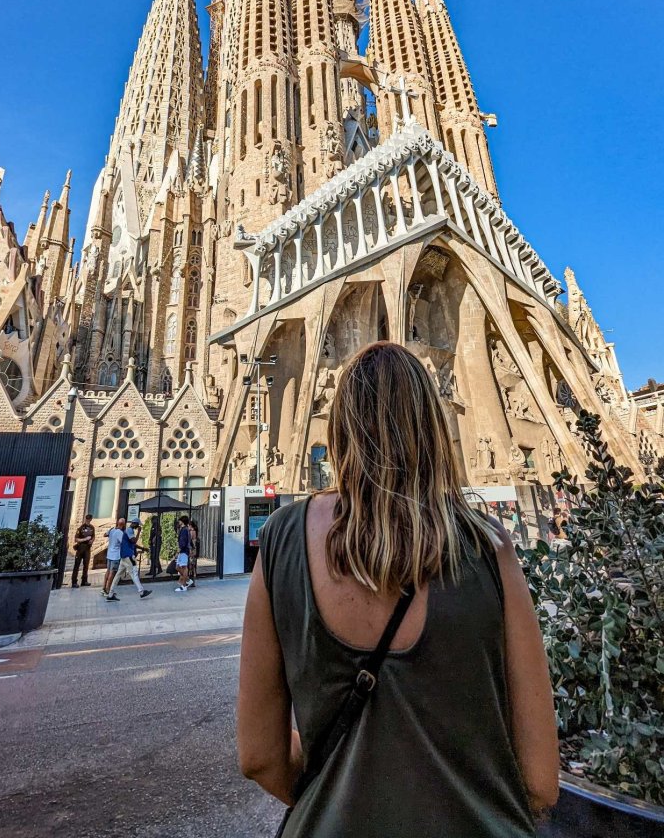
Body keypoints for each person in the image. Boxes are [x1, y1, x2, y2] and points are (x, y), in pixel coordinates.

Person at [238, 342, 558, 837]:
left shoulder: (282, 538)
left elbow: (259, 756)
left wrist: (335, 793)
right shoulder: (490, 550)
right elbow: (540, 781)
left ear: (340, 431)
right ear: (433, 429)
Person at [106, 519, 152, 602]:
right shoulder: (129, 530)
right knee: (134, 573)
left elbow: (132, 543)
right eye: (138, 525)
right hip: (129, 556)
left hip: (123, 556)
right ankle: (141, 592)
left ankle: (110, 594)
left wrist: (142, 548)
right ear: (135, 524)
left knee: (118, 575)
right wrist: (138, 532)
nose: (138, 527)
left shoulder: (127, 530)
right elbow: (133, 541)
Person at [103, 517, 126, 596]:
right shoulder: (120, 532)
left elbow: (105, 534)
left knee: (108, 571)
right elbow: (123, 543)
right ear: (123, 524)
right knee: (112, 573)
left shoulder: (112, 530)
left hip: (109, 554)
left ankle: (104, 588)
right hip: (115, 555)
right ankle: (108, 590)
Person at [71, 513, 95, 587]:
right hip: (81, 547)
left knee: (86, 565)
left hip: (87, 548)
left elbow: (93, 536)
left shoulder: (92, 527)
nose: (88, 520)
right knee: (77, 565)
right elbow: (76, 539)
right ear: (85, 519)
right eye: (87, 519)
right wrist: (85, 539)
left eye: (89, 519)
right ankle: (74, 582)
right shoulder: (81, 528)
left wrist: (92, 540)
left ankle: (84, 581)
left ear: (91, 519)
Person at [174, 515, 191, 592]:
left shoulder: (184, 530)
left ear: (182, 521)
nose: (178, 522)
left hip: (183, 551)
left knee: (184, 567)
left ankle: (184, 586)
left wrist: (178, 551)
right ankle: (187, 580)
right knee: (177, 567)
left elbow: (183, 542)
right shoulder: (184, 529)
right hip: (183, 551)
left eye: (180, 520)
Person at [187, 519, 200, 587]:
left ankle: (191, 582)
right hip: (194, 551)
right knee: (194, 566)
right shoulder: (195, 531)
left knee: (190, 566)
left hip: (192, 551)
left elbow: (190, 541)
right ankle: (193, 582)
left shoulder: (192, 532)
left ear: (190, 525)